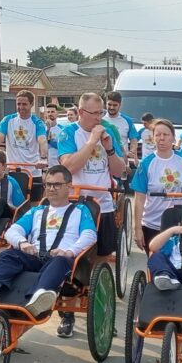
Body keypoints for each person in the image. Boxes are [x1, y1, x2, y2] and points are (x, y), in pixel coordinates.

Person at [0, 165, 97, 317]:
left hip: (61, 258)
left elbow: (89, 235)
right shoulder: (36, 211)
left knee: (60, 260)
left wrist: (69, 251)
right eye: (48, 184)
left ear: (69, 186)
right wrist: (23, 243)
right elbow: (12, 231)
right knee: (9, 254)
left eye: (57, 184)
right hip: (35, 255)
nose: (51, 188)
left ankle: (39, 296)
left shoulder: (81, 211)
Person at [56, 92, 126, 337]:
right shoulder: (67, 133)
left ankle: (100, 314)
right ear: (81, 111)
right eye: (94, 113)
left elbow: (120, 170)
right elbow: (69, 166)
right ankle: (67, 315)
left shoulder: (108, 132)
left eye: (101, 113)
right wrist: (91, 142)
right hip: (76, 205)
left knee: (101, 263)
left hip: (104, 206)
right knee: (71, 261)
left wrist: (108, 149)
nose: (99, 118)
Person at [131, 119, 182, 251]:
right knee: (156, 266)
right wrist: (137, 228)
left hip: (181, 224)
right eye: (158, 135)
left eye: (166, 134)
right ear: (153, 138)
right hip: (152, 225)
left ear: (173, 138)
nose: (161, 138)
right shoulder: (146, 163)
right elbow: (139, 199)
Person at [0, 90, 49, 196]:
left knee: (33, 204)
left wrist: (43, 158)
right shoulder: (8, 120)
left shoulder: (37, 122)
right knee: (9, 203)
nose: (21, 107)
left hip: (32, 171)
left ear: (31, 105)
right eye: (18, 104)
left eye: (24, 104)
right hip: (12, 170)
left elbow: (42, 141)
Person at [103, 91, 139, 160]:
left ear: (120, 105)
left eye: (115, 105)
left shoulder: (127, 120)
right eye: (109, 104)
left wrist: (131, 151)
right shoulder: (100, 120)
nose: (112, 107)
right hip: (104, 160)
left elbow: (134, 140)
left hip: (122, 160)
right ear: (106, 104)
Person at [44, 103, 63, 168]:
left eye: (52, 112)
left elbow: (61, 146)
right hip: (44, 166)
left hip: (58, 165)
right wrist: (48, 129)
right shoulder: (42, 129)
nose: (50, 114)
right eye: (48, 112)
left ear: (57, 113)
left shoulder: (62, 129)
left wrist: (50, 141)